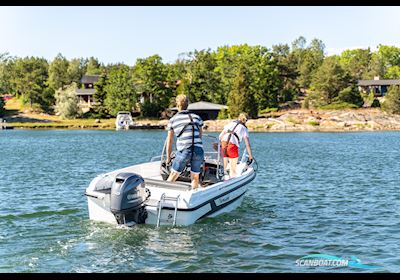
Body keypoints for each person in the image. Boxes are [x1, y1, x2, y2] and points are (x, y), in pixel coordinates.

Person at [165, 94, 205, 190]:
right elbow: (199, 136)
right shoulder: (197, 118)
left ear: (177, 105)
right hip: (198, 150)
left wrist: (168, 158)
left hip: (184, 151)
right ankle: (193, 198)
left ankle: (164, 197)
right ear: (188, 104)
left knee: (173, 176)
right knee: (195, 178)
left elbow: (170, 141)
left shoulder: (173, 120)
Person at [219, 112, 253, 179]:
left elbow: (220, 136)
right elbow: (247, 144)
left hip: (223, 144)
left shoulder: (230, 124)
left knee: (224, 170)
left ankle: (224, 180)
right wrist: (250, 156)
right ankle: (232, 182)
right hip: (232, 147)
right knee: (233, 170)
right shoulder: (244, 128)